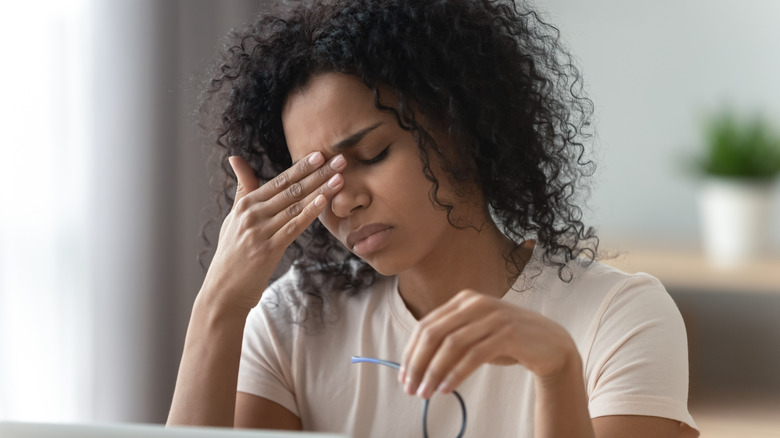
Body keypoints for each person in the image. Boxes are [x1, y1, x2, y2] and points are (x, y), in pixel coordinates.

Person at [167, 0, 699, 436]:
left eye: (372, 155)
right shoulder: (294, 325)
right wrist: (218, 305)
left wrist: (559, 371)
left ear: (462, 126)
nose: (342, 202)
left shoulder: (617, 317)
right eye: (314, 181)